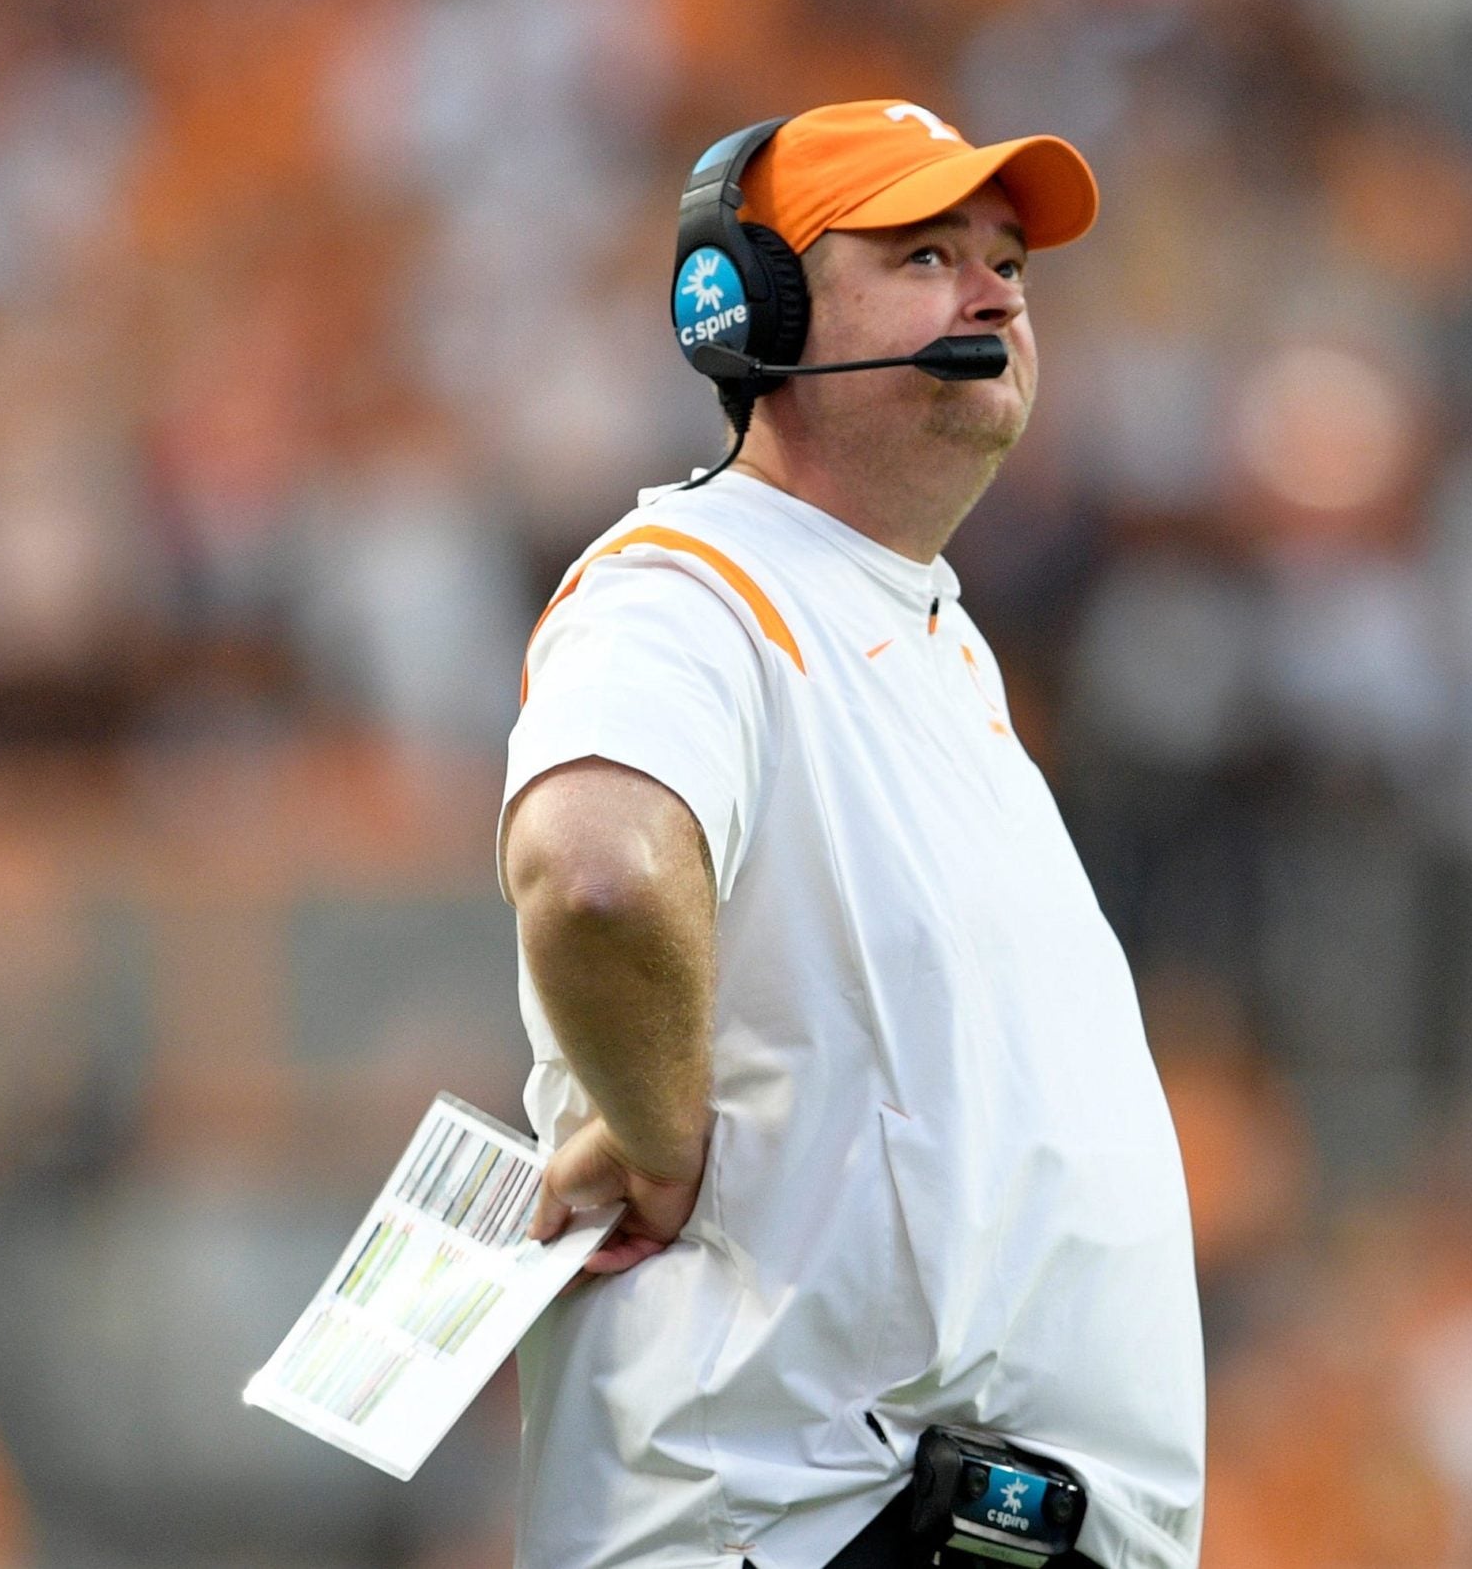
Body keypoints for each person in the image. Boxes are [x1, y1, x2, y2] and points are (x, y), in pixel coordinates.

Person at [503, 100, 1204, 1569]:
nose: (997, 292)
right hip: (811, 1529)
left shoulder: (911, 622)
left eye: (1009, 259)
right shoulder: (689, 585)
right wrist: (654, 1136)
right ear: (744, 311)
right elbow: (596, 871)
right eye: (927, 252)